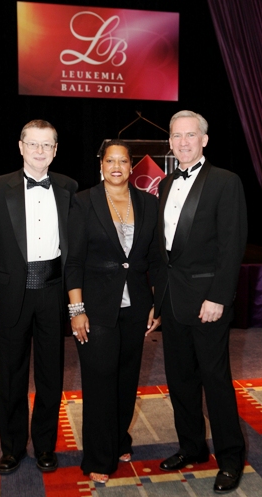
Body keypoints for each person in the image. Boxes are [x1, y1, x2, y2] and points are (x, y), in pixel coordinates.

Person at [0, 119, 78, 475]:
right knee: (12, 374)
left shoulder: (68, 186)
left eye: (46, 145)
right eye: (32, 144)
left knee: (51, 374)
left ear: (55, 150)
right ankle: (12, 447)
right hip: (10, 295)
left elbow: (74, 250)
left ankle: (46, 445)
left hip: (52, 293)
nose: (39, 151)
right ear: (20, 146)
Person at [153, 110, 247, 494]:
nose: (183, 142)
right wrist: (157, 301)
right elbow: (163, 252)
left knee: (216, 380)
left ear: (204, 140)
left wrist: (218, 297)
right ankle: (191, 447)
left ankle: (230, 457)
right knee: (180, 380)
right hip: (173, 301)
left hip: (208, 302)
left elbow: (232, 245)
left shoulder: (226, 182)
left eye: (190, 135)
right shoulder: (164, 184)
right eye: (176, 136)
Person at [65, 139, 161, 484]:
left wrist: (155, 303)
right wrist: (76, 309)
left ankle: (120, 439)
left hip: (135, 307)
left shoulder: (149, 203)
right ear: (101, 165)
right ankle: (98, 458)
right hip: (95, 308)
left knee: (126, 377)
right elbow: (73, 261)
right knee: (99, 382)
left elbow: (154, 260)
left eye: (123, 161)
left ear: (131, 166)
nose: (116, 166)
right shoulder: (83, 202)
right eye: (110, 161)